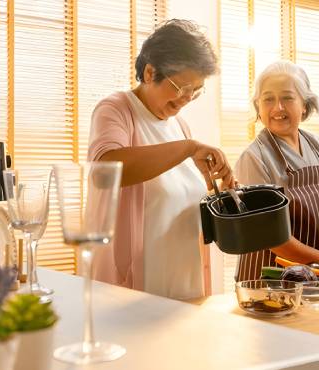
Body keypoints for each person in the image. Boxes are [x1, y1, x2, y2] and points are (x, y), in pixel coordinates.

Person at [87, 19, 235, 300]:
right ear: (150, 71)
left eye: (196, 90)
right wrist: (188, 148)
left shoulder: (179, 126)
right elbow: (105, 171)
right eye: (181, 88)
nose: (187, 98)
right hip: (136, 292)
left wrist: (220, 195)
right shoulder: (116, 109)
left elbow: (179, 206)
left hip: (185, 285)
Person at [234, 61, 319, 282]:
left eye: (287, 98)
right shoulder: (254, 158)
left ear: (305, 104)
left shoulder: (316, 144)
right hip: (270, 279)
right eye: (268, 99)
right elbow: (270, 237)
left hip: (313, 274)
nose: (278, 107)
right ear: (258, 107)